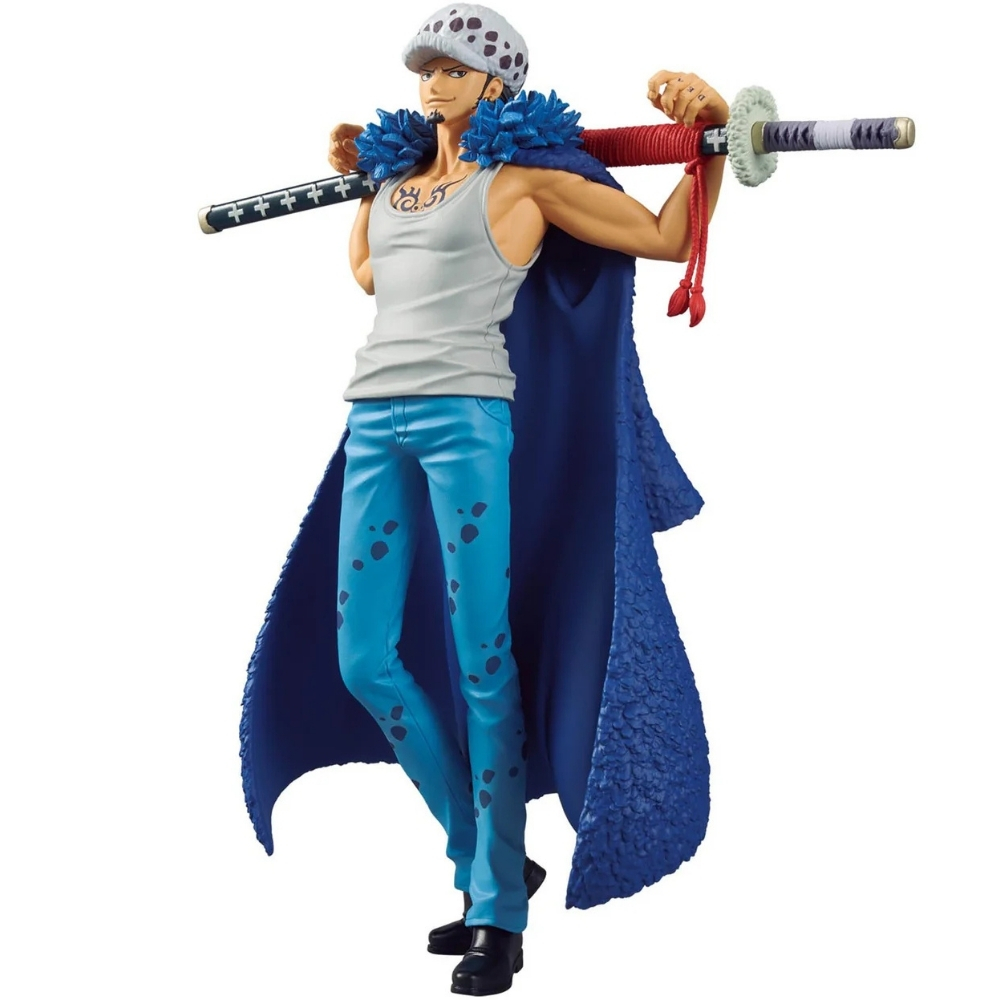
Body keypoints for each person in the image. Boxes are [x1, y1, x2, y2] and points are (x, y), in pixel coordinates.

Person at [241, 5, 723, 996]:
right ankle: (484, 848)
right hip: (373, 422)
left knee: (480, 656)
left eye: (454, 68)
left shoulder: (524, 183)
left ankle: (497, 911)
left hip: (466, 422)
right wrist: (364, 181)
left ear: (497, 82)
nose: (433, 81)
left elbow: (665, 237)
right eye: (424, 67)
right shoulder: (398, 184)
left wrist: (707, 144)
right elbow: (370, 274)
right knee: (363, 657)